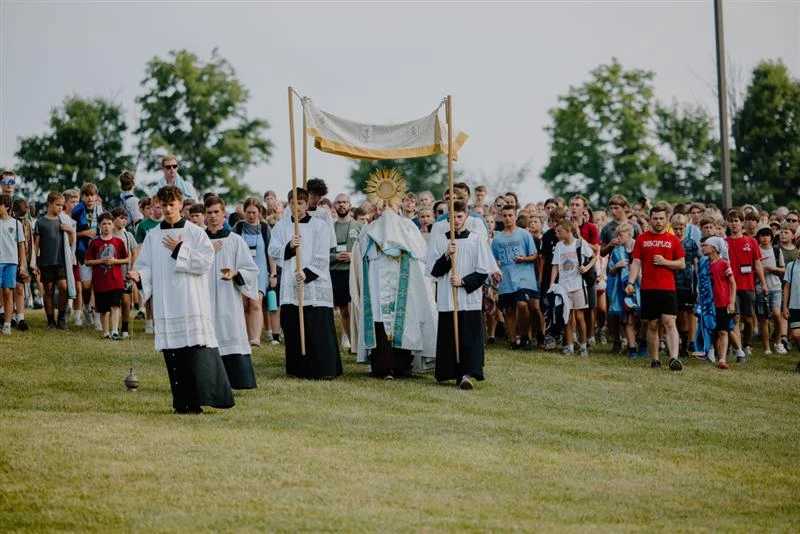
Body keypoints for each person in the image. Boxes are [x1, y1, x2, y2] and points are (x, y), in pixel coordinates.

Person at [129, 185, 234, 414]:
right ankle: (180, 403)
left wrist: (179, 249)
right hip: (167, 303)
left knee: (192, 352)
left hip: (190, 300)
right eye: (163, 205)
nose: (167, 209)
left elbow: (206, 263)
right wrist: (139, 276)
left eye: (172, 204)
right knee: (173, 354)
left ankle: (195, 402)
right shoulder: (153, 235)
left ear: (180, 204)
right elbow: (145, 266)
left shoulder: (195, 232)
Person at [349, 172, 437, 379]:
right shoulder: (371, 228)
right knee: (381, 320)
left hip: (401, 282)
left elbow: (420, 254)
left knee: (402, 320)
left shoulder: (406, 226)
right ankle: (384, 365)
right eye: (383, 206)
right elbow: (363, 254)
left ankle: (400, 365)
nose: (387, 209)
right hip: (378, 281)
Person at [268, 187, 341, 380]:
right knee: (294, 327)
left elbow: (322, 254)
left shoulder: (320, 226)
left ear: (307, 203)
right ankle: (298, 367)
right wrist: (289, 247)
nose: (296, 207)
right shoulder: (282, 227)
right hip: (291, 286)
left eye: (300, 203)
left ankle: (323, 368)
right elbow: (273, 250)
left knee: (317, 329)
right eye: (292, 203)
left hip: (314, 284)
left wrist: (307, 273)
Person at [428, 201, 495, 389]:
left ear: (466, 216)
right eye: (453, 217)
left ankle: (467, 373)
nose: (456, 221)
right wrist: (447, 256)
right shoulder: (440, 239)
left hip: (468, 298)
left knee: (469, 335)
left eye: (459, 217)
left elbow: (483, 271)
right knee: (450, 335)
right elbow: (433, 271)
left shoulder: (476, 239)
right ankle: (451, 371)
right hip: (447, 297)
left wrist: (464, 281)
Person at [205, 195, 259, 389]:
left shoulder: (235, 240)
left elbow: (251, 269)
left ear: (223, 214)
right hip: (205, 297)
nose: (212, 216)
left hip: (229, 297)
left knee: (231, 331)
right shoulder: (200, 240)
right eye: (209, 213)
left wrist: (236, 274)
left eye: (216, 212)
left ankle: (238, 379)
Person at [626, 202, 686, 371]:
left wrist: (665, 262)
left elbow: (681, 264)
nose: (658, 221)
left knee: (669, 322)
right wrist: (631, 282)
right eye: (655, 218)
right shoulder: (642, 239)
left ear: (666, 220)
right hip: (648, 288)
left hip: (668, 288)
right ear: (650, 219)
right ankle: (655, 359)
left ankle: (674, 358)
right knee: (652, 324)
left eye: (661, 218)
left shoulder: (673, 239)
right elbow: (636, 262)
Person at [491, 204, 540, 350]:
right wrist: (495, 271)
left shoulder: (524, 234)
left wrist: (524, 259)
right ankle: (513, 339)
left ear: (515, 216)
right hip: (506, 278)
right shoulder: (497, 238)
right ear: (501, 217)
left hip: (524, 278)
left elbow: (534, 255)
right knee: (509, 310)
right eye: (504, 216)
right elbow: (492, 259)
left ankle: (525, 336)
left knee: (523, 305)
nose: (507, 218)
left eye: (510, 215)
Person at [725, 209, 767, 362]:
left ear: (742, 223)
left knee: (748, 319)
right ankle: (738, 349)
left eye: (736, 221)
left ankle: (747, 343)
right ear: (727, 223)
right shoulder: (724, 242)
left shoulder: (751, 242)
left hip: (748, 285)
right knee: (735, 318)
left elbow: (757, 263)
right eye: (731, 221)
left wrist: (763, 283)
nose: (734, 224)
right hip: (731, 287)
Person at [550, 220, 596, 356]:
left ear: (568, 231)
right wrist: (552, 284)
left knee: (580, 316)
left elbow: (593, 257)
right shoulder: (559, 246)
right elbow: (555, 266)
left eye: (560, 231)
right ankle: (569, 346)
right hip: (564, 286)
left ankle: (583, 346)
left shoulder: (580, 243)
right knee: (567, 317)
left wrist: (586, 267)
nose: (557, 234)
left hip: (578, 285)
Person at [32, 192, 75, 329]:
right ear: (49, 204)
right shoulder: (40, 222)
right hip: (46, 262)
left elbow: (71, 243)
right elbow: (36, 244)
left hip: (61, 261)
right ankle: (50, 320)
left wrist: (70, 232)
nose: (60, 208)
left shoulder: (64, 221)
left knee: (63, 287)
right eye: (57, 205)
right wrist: (35, 262)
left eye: (62, 205)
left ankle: (61, 318)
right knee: (48, 290)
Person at [233, 197, 272, 347]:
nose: (251, 215)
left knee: (256, 303)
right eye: (248, 212)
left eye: (254, 212)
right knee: (244, 304)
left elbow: (270, 252)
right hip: (241, 270)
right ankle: (245, 335)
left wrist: (273, 273)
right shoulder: (238, 227)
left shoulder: (264, 228)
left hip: (260, 271)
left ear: (259, 212)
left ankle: (255, 337)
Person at [84, 213, 128, 340]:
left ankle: (114, 330)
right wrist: (101, 261)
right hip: (100, 281)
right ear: (99, 226)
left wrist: (115, 261)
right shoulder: (94, 243)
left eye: (109, 223)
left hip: (116, 280)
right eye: (104, 224)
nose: (107, 226)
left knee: (115, 305)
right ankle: (106, 331)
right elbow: (87, 261)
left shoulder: (118, 242)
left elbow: (126, 259)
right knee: (104, 309)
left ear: (113, 225)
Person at [330, 193, 362, 351]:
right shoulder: (330, 228)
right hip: (337, 273)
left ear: (350, 205)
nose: (342, 205)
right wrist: (335, 256)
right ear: (334, 206)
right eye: (339, 202)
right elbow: (323, 253)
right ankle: (350, 342)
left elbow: (364, 250)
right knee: (343, 310)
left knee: (354, 308)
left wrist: (352, 255)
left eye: (345, 202)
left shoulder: (359, 227)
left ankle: (359, 342)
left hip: (353, 272)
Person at [703, 237, 736, 369]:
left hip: (722, 302)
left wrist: (732, 302)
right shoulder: (704, 264)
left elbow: (733, 283)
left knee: (723, 331)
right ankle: (709, 353)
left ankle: (722, 359)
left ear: (714, 248)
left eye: (706, 245)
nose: (703, 247)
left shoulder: (723, 264)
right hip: (709, 303)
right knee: (711, 330)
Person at [672, 213, 699, 357]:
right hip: (672, 279)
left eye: (681, 227)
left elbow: (696, 262)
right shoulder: (670, 241)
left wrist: (697, 282)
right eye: (676, 228)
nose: (678, 231)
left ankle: (688, 342)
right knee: (676, 313)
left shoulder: (691, 243)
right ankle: (678, 342)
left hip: (688, 280)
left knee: (689, 312)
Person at [755, 227, 785, 354]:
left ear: (771, 238)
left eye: (767, 235)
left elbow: (783, 269)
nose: (765, 238)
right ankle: (767, 347)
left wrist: (771, 269)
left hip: (776, 288)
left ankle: (778, 341)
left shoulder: (777, 251)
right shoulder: (756, 250)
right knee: (763, 319)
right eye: (762, 236)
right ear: (758, 238)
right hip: (760, 288)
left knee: (777, 315)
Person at [0, 194, 26, 335]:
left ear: (7, 206)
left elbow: (21, 246)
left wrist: (22, 265)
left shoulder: (16, 224)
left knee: (7, 292)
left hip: (11, 262)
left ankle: (7, 324)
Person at [111, 208, 138, 339]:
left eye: (125, 218)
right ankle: (112, 327)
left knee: (126, 301)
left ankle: (125, 328)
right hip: (111, 274)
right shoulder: (108, 234)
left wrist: (133, 269)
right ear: (114, 218)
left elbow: (134, 252)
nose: (124, 221)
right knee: (113, 301)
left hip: (125, 273)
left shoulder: (128, 235)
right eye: (121, 218)